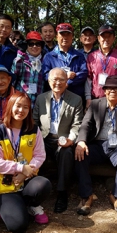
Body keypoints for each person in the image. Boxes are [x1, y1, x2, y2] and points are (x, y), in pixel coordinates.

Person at [0, 93, 52, 233]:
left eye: (26, 107)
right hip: (3, 185)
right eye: (18, 106)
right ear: (10, 107)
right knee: (18, 226)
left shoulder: (34, 130)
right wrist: (20, 167)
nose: (21, 110)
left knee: (44, 184)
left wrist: (25, 174)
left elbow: (40, 155)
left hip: (25, 180)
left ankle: (31, 205)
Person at [75, 76, 117, 215]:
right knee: (80, 154)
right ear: (104, 91)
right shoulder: (96, 104)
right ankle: (86, 195)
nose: (113, 91)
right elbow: (86, 124)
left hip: (116, 147)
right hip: (97, 145)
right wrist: (81, 141)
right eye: (109, 88)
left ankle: (116, 195)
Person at [33, 68, 83, 213]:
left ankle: (62, 193)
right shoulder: (41, 98)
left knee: (66, 153)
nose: (58, 82)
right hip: (44, 137)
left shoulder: (76, 99)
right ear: (49, 81)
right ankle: (34, 191)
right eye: (54, 79)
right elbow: (35, 121)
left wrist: (71, 139)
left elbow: (77, 124)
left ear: (67, 81)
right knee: (35, 151)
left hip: (63, 139)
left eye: (62, 79)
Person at [42, 23, 88, 102]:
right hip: (55, 98)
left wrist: (68, 83)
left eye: (68, 35)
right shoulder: (49, 56)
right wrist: (63, 78)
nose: (65, 37)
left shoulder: (79, 55)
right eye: (62, 35)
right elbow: (46, 75)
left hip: (75, 98)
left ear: (72, 37)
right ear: (57, 36)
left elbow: (84, 73)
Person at [86, 25, 117, 103]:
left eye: (109, 36)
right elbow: (88, 80)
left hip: (115, 99)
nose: (106, 39)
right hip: (96, 99)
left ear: (114, 38)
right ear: (98, 38)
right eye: (103, 36)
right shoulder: (91, 56)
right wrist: (88, 98)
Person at [12, 31, 45, 108]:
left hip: (39, 105)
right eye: (31, 44)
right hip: (21, 104)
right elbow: (12, 82)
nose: (34, 46)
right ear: (26, 46)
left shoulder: (45, 62)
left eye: (38, 44)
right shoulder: (20, 60)